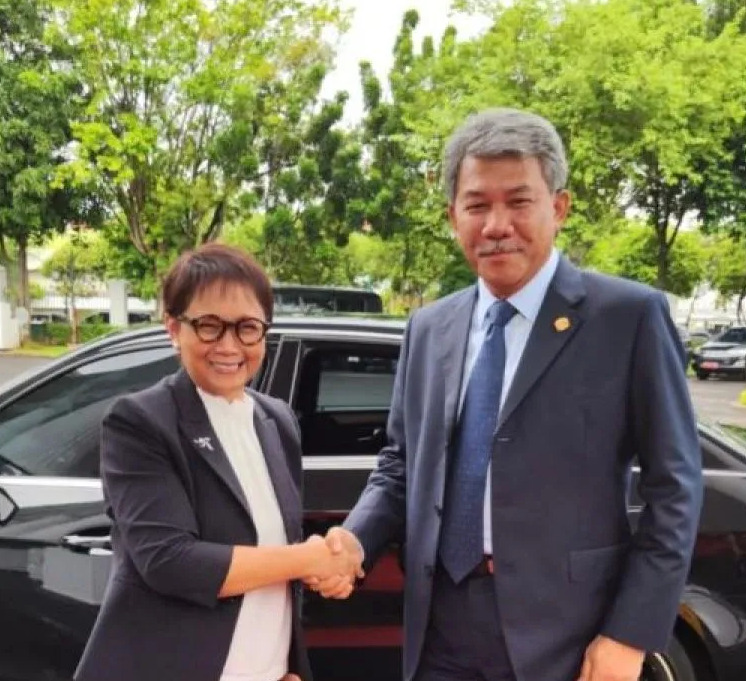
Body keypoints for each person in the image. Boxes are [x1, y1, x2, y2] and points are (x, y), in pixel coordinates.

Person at [313, 109, 703, 681]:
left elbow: (676, 487)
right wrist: (354, 539)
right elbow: (400, 466)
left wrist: (630, 633)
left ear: (559, 207)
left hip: (566, 632)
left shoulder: (627, 317)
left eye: (519, 202)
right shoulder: (428, 328)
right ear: (453, 216)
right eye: (477, 205)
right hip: (440, 625)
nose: (496, 224)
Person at [75, 244, 360, 681]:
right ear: (174, 328)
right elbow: (171, 562)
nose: (229, 345)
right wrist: (308, 559)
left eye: (247, 327)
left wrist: (285, 657)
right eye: (209, 326)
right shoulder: (140, 422)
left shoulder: (277, 420)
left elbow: (274, 552)